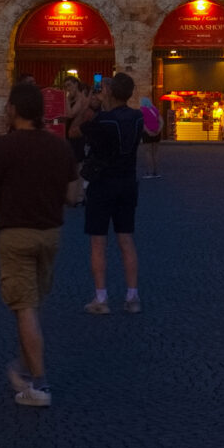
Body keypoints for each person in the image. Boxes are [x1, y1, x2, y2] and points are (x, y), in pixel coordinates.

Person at [0, 81, 80, 408]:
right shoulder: (60, 148)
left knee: (24, 306)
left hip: (16, 235)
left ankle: (39, 384)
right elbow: (73, 196)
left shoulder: (6, 147)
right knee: (32, 304)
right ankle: (24, 368)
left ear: (13, 110)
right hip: (50, 235)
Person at [79, 71, 146, 313]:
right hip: (127, 184)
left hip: (103, 185)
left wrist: (92, 104)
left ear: (110, 91)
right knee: (126, 239)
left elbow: (77, 131)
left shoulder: (103, 121)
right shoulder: (137, 117)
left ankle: (101, 298)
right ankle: (132, 297)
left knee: (98, 242)